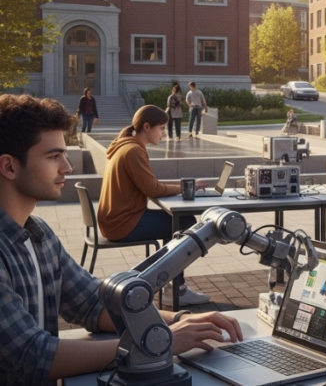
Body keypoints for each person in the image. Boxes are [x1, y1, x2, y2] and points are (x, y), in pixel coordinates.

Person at [0, 94, 242, 384]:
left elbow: (93, 303)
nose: (67, 167)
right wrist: (153, 344)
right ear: (9, 167)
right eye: (54, 157)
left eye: (65, 154)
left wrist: (178, 321)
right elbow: (29, 357)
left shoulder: (39, 234)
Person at [98, 105, 211, 305]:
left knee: (179, 223)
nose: (164, 133)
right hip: (123, 224)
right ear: (147, 127)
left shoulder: (127, 146)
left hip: (117, 221)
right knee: (184, 223)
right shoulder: (133, 150)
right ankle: (175, 288)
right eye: (161, 128)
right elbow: (153, 190)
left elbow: (151, 187)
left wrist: (181, 187)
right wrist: (187, 187)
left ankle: (170, 284)